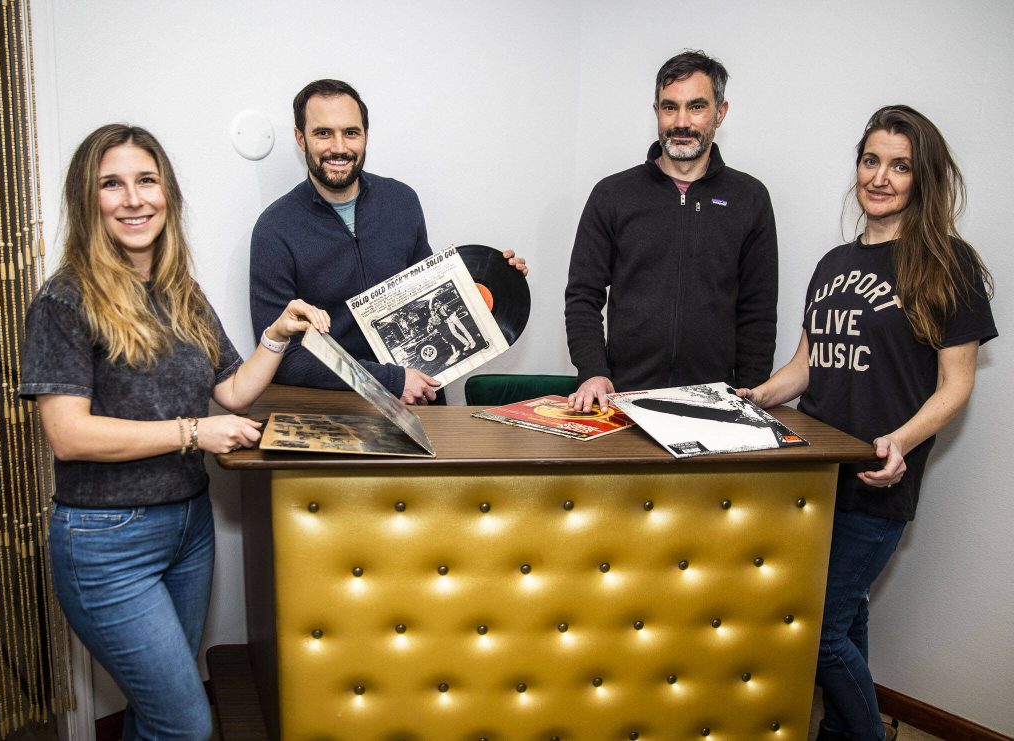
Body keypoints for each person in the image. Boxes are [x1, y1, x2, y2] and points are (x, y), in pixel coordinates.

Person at [19, 124, 330, 740]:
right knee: (185, 723)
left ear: (168, 195)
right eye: (112, 184)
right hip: (107, 543)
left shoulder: (179, 291)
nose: (134, 199)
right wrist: (194, 432)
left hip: (188, 528)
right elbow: (68, 435)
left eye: (146, 181)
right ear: (89, 200)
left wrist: (278, 334)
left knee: (154, 712)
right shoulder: (64, 300)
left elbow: (233, 390)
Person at [737, 105, 996, 741]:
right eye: (870, 160)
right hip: (813, 474)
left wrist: (901, 441)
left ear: (922, 179)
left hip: (878, 478)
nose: (880, 177)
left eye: (899, 166)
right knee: (847, 618)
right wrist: (758, 395)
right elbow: (806, 365)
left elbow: (955, 384)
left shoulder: (947, 264)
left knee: (819, 633)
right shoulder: (831, 263)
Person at [250, 79, 527, 405]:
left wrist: (494, 280)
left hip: (422, 398)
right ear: (301, 138)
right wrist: (392, 380)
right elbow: (284, 355)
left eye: (351, 132)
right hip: (341, 411)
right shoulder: (275, 229)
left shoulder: (402, 201)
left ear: (366, 135)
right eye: (323, 133)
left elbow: (431, 298)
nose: (339, 147)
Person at [565, 49, 778, 412]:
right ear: (656, 113)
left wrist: (749, 394)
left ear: (720, 113)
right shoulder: (612, 194)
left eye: (696, 107)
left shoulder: (750, 198)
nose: (681, 121)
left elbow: (758, 310)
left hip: (717, 403)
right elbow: (583, 296)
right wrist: (593, 371)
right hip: (623, 399)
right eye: (669, 107)